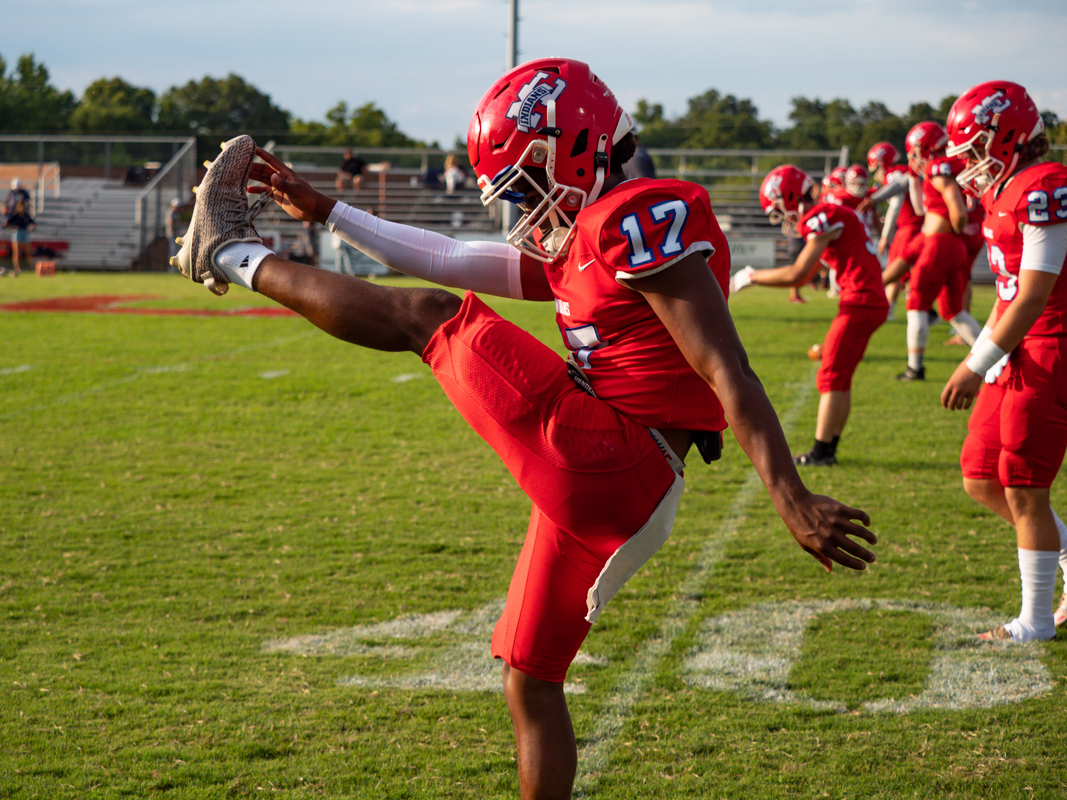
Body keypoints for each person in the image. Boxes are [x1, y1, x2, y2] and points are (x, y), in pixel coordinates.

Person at [169, 59, 877, 799]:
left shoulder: (637, 215)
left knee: (428, 317)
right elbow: (451, 255)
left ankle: (231, 252)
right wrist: (329, 213)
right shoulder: (588, 235)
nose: (523, 203)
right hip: (621, 476)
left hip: (614, 456)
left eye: (528, 180)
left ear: (575, 147)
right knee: (530, 678)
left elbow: (726, 367)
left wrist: (790, 495)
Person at [941, 81, 1067, 640]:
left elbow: (1035, 294)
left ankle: (1034, 624)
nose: (969, 165)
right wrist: (985, 353)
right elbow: (1008, 291)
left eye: (975, 150)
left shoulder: (1045, 186)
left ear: (1007, 137)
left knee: (1022, 482)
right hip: (1016, 344)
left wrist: (975, 364)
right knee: (980, 473)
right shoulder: (1005, 190)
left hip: (1050, 344)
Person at [731, 165, 889, 466]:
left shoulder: (824, 215)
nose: (783, 218)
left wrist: (752, 276)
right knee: (840, 377)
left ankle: (820, 453)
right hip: (866, 300)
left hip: (860, 302)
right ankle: (828, 449)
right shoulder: (831, 213)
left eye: (779, 209)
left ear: (790, 197)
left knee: (830, 376)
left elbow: (798, 274)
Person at [881, 121, 982, 380]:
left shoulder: (939, 167)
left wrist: (955, 230)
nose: (914, 159)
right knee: (952, 311)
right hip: (942, 241)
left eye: (915, 152)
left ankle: (915, 367)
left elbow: (958, 212)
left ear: (924, 147)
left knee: (916, 301)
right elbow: (922, 210)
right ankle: (996, 360)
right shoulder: (952, 166)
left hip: (941, 240)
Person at [862, 141, 925, 321]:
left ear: (883, 162)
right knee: (900, 271)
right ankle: (894, 309)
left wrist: (884, 236)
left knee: (898, 269)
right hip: (911, 226)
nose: (876, 172)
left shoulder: (894, 174)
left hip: (909, 227)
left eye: (876, 166)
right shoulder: (902, 171)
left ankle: (913, 310)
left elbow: (895, 205)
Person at [2, 198, 35, 276]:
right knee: (16, 253)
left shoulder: (26, 215)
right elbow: (6, 223)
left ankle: (33, 268)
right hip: (17, 232)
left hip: (24, 232)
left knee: (28, 252)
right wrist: (13, 227)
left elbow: (33, 223)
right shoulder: (15, 215)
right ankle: (17, 269)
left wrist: (30, 229)